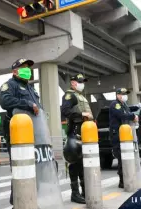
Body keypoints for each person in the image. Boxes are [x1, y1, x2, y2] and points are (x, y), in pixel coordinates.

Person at [0, 58, 42, 207]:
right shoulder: (9, 85)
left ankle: (28, 200)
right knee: (21, 168)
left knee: (34, 168)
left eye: (28, 68)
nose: (27, 70)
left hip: (34, 132)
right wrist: (27, 104)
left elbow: (38, 108)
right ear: (15, 71)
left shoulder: (31, 88)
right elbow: (5, 102)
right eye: (23, 67)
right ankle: (17, 203)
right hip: (18, 135)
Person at [61, 73, 92, 204]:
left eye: (82, 81)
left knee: (84, 165)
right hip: (75, 133)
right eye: (79, 82)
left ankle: (85, 191)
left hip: (85, 132)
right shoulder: (70, 95)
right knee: (75, 164)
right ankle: (75, 193)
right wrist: (81, 113)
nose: (81, 84)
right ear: (73, 83)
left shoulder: (80, 96)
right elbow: (65, 111)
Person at [109, 88, 138, 188]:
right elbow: (122, 115)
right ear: (118, 95)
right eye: (123, 94)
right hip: (117, 134)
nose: (125, 95)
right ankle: (122, 180)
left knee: (126, 156)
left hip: (125, 134)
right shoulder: (115, 104)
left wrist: (132, 114)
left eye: (126, 93)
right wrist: (133, 116)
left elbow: (128, 112)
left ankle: (126, 177)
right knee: (121, 157)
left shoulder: (124, 105)